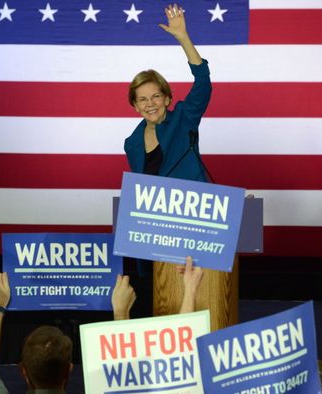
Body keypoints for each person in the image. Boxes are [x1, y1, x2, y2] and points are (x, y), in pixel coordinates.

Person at [124, 3, 213, 318]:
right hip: (155, 235)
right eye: (142, 99)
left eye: (156, 97)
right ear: (135, 106)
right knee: (156, 310)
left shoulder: (184, 119)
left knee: (192, 304)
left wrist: (183, 39)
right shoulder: (132, 143)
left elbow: (203, 84)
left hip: (193, 226)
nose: (150, 104)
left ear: (167, 98)